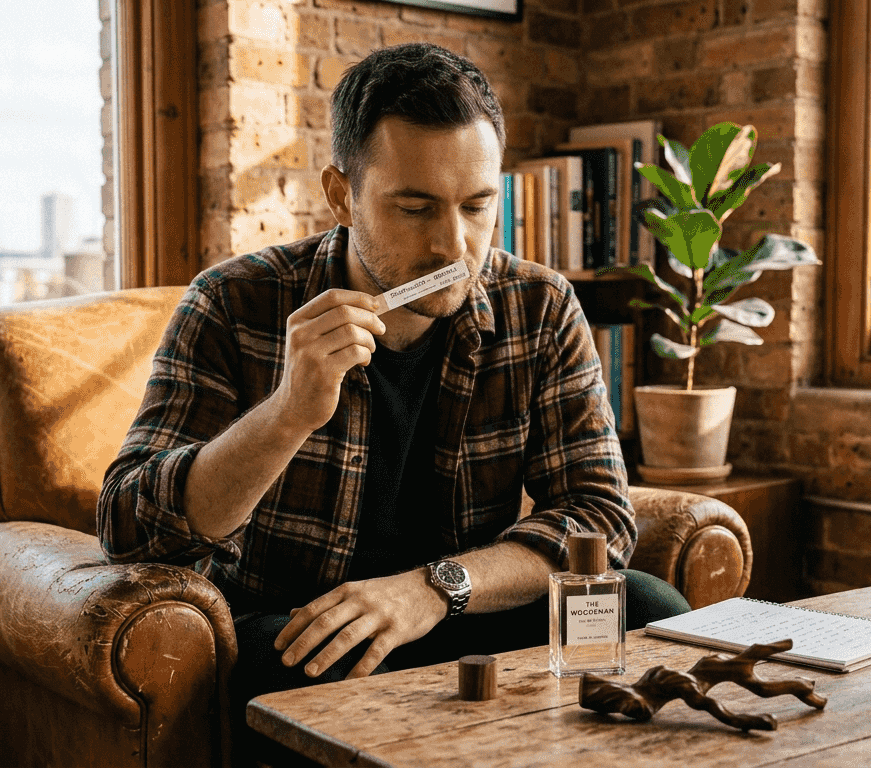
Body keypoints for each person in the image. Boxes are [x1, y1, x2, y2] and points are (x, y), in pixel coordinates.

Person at [97, 42, 689, 764]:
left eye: (477, 207)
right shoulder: (232, 302)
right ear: (342, 194)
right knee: (290, 668)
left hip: (456, 608)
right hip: (303, 631)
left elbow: (599, 513)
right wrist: (288, 414)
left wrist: (436, 588)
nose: (453, 246)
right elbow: (131, 531)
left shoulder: (538, 304)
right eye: (415, 208)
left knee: (649, 605)